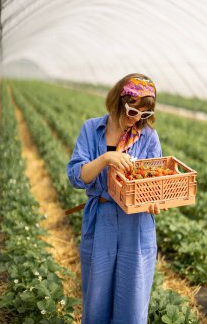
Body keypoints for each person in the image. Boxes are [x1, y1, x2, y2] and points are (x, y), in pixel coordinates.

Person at [67, 73, 163, 324]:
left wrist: (154, 201)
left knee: (132, 304)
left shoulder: (148, 136)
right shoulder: (92, 129)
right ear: (119, 101)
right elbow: (77, 177)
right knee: (96, 301)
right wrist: (106, 159)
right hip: (102, 220)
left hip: (137, 225)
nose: (137, 120)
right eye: (133, 112)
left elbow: (153, 180)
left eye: (144, 115)